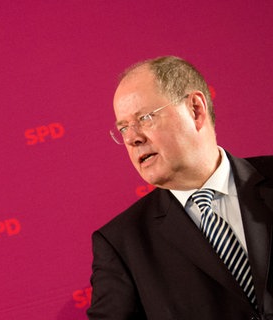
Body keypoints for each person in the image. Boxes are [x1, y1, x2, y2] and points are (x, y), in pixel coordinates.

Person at [87, 56, 273, 319]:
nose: (132, 138)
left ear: (195, 109)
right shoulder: (123, 243)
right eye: (124, 128)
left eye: (145, 118)